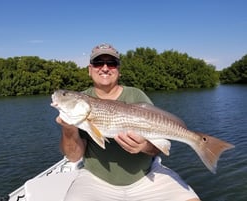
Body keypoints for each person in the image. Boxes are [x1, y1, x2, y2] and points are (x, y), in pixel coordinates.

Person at [56, 43, 200, 201]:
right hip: (95, 180)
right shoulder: (82, 100)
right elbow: (74, 157)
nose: (105, 68)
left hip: (146, 177)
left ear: (119, 70)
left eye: (111, 63)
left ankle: (197, 141)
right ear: (90, 70)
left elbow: (156, 150)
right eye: (98, 63)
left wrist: (145, 146)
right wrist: (68, 129)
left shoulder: (136, 95)